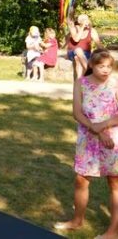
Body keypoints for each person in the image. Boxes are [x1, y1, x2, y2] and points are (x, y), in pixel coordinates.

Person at [55, 49, 118, 235]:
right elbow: (77, 113)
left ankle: (113, 231)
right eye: (101, 66)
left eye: (109, 66)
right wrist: (95, 129)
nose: (106, 70)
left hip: (113, 140)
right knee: (81, 180)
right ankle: (77, 220)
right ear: (91, 65)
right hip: (87, 139)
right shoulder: (81, 83)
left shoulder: (115, 83)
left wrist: (103, 126)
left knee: (115, 182)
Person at [67, 14, 102, 80]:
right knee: (77, 54)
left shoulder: (92, 31)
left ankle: (80, 81)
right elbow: (76, 39)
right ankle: (88, 72)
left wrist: (106, 54)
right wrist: (82, 27)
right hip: (73, 52)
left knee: (78, 58)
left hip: (86, 54)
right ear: (79, 21)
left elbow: (99, 44)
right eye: (83, 20)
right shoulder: (73, 28)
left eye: (86, 19)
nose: (86, 21)